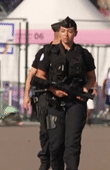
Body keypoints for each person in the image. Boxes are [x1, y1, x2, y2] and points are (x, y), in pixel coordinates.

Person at [35, 17, 96, 170]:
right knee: (55, 145)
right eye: (63, 31)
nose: (66, 35)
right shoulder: (49, 52)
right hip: (54, 102)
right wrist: (53, 90)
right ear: (59, 33)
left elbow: (91, 78)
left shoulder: (83, 54)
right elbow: (40, 76)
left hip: (76, 102)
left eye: (70, 31)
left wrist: (85, 89)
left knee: (72, 144)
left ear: (75, 33)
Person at [23, 21, 61, 170]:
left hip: (63, 97)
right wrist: (26, 95)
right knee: (46, 131)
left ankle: (54, 160)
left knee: (60, 134)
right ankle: (45, 161)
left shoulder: (70, 52)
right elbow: (32, 74)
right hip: (45, 96)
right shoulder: (45, 52)